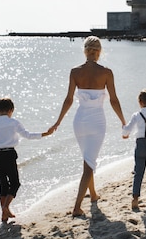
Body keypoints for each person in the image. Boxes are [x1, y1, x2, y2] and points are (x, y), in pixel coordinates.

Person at [51, 36, 126, 217]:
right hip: (97, 121)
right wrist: (123, 121)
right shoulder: (107, 72)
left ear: (85, 51)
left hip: (80, 121)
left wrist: (58, 121)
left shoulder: (75, 72)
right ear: (99, 52)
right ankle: (76, 207)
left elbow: (68, 100)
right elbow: (114, 100)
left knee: (88, 160)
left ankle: (93, 194)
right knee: (88, 163)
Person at [0, 97, 53, 223]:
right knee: (15, 183)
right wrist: (45, 133)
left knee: (3, 185)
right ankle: (6, 207)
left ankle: (4, 215)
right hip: (9, 154)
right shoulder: (13, 123)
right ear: (11, 110)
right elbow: (28, 135)